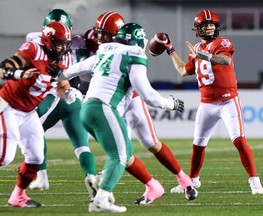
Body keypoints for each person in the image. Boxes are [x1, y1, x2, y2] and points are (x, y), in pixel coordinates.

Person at [55, 22, 196, 213]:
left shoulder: (104, 51)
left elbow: (68, 72)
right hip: (105, 108)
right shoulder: (134, 55)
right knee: (120, 156)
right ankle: (102, 197)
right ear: (137, 40)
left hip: (87, 108)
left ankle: (146, 186)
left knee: (126, 151)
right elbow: (149, 96)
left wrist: (63, 83)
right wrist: (170, 103)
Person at [92, 11, 198, 205]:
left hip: (130, 99)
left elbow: (147, 50)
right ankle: (151, 185)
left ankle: (183, 180)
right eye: (97, 33)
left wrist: (164, 46)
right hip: (112, 103)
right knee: (122, 151)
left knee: (151, 143)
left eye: (103, 33)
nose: (98, 37)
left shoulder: (130, 46)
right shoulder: (103, 47)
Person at [157, 9, 263, 195]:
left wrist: (203, 56)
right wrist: (170, 49)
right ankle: (193, 181)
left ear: (216, 27)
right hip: (206, 103)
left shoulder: (222, 42)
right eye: (205, 25)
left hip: (228, 101)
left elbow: (224, 60)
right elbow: (183, 70)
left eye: (211, 25)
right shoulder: (197, 49)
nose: (209, 28)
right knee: (198, 144)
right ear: (198, 29)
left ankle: (254, 180)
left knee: (239, 140)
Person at [27, 9, 99, 205]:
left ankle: (41, 177)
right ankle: (91, 175)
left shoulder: (36, 42)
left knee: (33, 132)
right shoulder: (74, 45)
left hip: (51, 95)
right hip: (74, 97)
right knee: (82, 145)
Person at [0, 21, 72, 207]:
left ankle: (18, 197)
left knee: (36, 157)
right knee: (4, 157)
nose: (62, 47)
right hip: (8, 105)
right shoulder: (33, 49)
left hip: (28, 112)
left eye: (65, 44)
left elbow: (62, 79)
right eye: (58, 43)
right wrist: (18, 74)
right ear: (47, 40)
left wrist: (66, 87)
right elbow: (3, 68)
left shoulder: (61, 59)